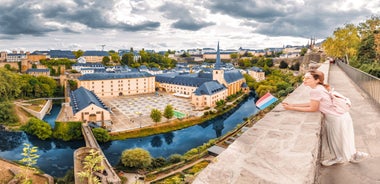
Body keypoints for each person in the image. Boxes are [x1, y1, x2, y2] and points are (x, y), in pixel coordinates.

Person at [282, 70, 368, 166]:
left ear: (317, 80)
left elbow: (313, 108)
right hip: (342, 115)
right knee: (345, 138)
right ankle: (354, 155)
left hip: (335, 118)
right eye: (304, 77)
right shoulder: (320, 87)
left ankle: (339, 158)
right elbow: (313, 103)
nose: (304, 80)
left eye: (308, 78)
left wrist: (292, 108)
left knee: (336, 141)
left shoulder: (315, 91)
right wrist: (293, 104)